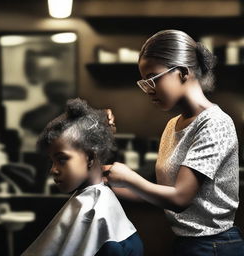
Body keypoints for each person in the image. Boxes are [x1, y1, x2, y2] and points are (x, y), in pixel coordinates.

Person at [103, 29, 244, 256]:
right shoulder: (172, 125)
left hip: (215, 246)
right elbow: (159, 194)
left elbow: (179, 198)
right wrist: (104, 180)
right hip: (187, 245)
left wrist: (129, 177)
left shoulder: (216, 122)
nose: (148, 90)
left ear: (182, 73)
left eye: (152, 78)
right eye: (144, 82)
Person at [21, 98, 143, 256]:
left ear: (90, 158)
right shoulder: (90, 202)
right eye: (52, 161)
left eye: (62, 159)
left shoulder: (107, 236)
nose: (53, 170)